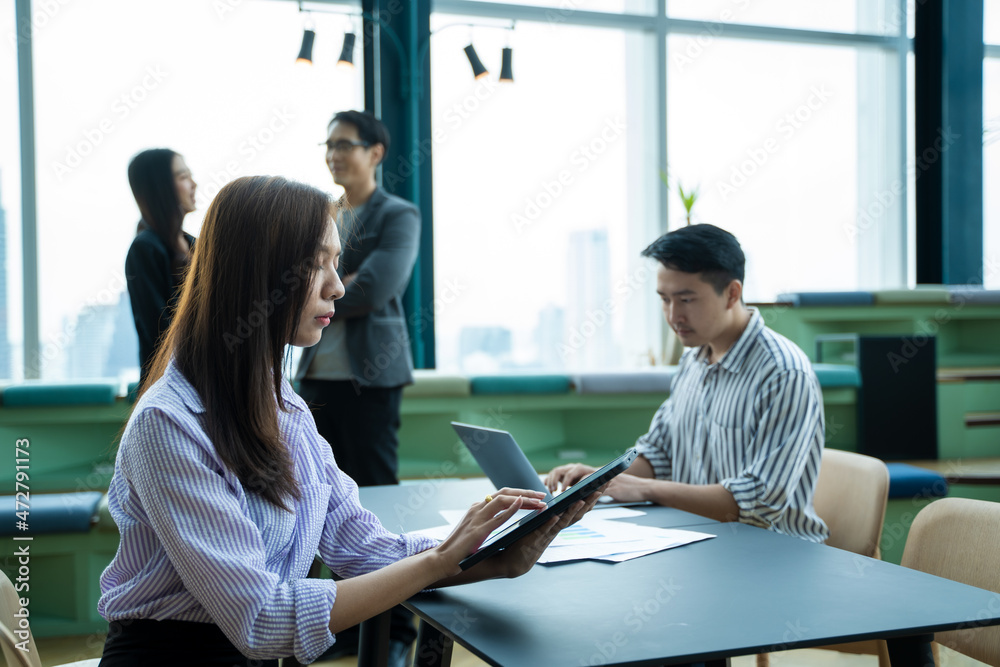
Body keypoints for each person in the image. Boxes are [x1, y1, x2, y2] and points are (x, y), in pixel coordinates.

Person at [97, 175, 598, 667]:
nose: (338, 287)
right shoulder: (167, 424)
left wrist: (496, 552)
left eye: (337, 263)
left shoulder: (283, 409)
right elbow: (261, 619)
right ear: (258, 274)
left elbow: (365, 550)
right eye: (318, 264)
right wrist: (440, 561)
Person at [547, 224, 829, 543]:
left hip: (774, 554)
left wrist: (642, 489)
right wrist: (599, 480)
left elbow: (757, 505)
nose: (673, 315)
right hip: (701, 539)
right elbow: (659, 454)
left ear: (732, 294)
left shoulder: (783, 374)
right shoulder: (693, 360)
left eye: (686, 299)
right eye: (665, 299)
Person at [294, 111, 420, 660]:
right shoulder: (322, 215)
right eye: (328, 145)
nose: (334, 154)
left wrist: (317, 290)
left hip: (371, 379)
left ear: (376, 152)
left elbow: (374, 287)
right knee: (309, 501)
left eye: (345, 144)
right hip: (316, 378)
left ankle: (392, 632)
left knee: (374, 497)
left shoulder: (398, 213)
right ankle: (332, 620)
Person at [124, 148, 197, 385]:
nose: (194, 184)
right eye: (184, 177)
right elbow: (160, 333)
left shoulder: (195, 245)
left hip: (202, 381)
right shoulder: (145, 249)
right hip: (167, 386)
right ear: (161, 187)